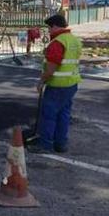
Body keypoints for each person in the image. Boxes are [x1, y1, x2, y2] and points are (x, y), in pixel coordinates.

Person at [35, 14, 82, 153]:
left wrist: (41, 81)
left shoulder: (57, 42)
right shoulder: (74, 40)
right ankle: (60, 144)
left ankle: (45, 145)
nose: (48, 31)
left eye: (49, 28)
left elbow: (51, 69)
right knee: (63, 114)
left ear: (55, 26)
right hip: (71, 85)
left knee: (49, 115)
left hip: (57, 86)